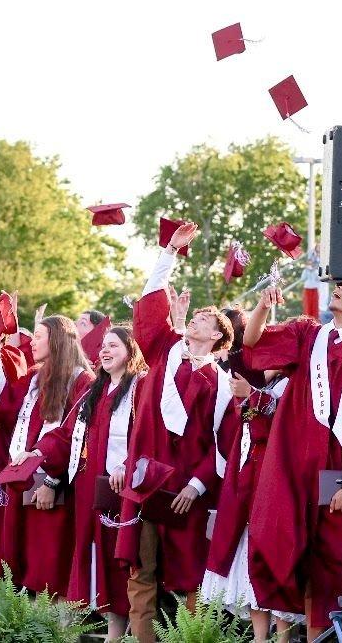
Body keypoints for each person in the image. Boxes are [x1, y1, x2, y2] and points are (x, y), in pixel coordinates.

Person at [244, 276, 342, 636]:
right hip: (295, 460)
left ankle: (328, 635)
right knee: (285, 540)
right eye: (337, 284)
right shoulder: (308, 334)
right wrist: (263, 305)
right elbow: (252, 342)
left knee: (333, 561)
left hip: (337, 469)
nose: (337, 289)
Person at [119, 239, 232, 643]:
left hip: (186, 488)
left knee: (191, 579)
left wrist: (197, 485)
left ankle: (193, 639)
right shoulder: (165, 352)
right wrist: (167, 254)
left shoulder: (221, 383)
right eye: (194, 317)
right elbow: (150, 310)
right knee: (141, 572)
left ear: (219, 335)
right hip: (146, 480)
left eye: (204, 320)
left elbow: (222, 444)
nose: (196, 321)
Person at [0, 312, 90, 593]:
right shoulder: (34, 378)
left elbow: (74, 435)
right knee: (31, 567)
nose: (32, 342)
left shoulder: (82, 381)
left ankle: (61, 634)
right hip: (27, 480)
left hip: (57, 483)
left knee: (52, 568)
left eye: (39, 336)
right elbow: (4, 409)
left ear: (57, 341)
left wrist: (51, 479)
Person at [66, 324, 145, 641]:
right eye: (102, 346)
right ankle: (87, 626)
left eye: (113, 345)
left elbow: (145, 437)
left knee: (117, 557)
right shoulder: (95, 390)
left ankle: (116, 632)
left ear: (130, 351)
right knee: (91, 553)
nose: (105, 350)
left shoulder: (139, 387)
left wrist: (126, 465)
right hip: (91, 486)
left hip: (121, 488)